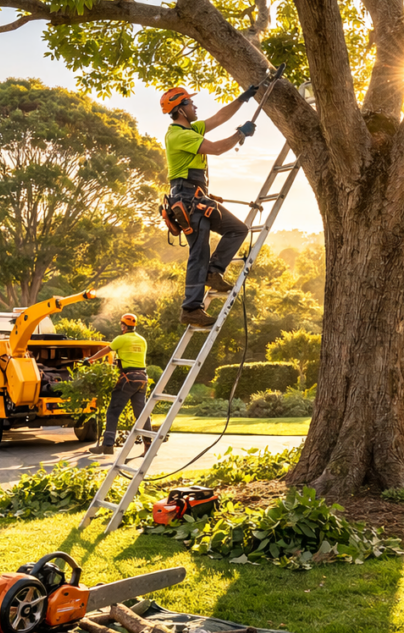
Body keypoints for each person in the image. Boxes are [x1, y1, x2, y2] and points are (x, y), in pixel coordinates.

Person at [161, 84, 259, 327]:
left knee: (237, 229)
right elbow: (216, 149)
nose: (195, 106)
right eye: (190, 103)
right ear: (180, 110)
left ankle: (213, 273)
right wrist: (241, 134)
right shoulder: (179, 135)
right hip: (187, 199)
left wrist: (243, 99)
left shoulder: (192, 129)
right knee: (199, 252)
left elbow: (219, 117)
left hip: (196, 196)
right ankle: (191, 309)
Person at [82, 313, 153, 456]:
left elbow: (106, 350)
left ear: (123, 326)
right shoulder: (142, 340)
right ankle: (148, 446)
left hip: (128, 379)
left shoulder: (121, 339)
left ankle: (108, 445)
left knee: (113, 412)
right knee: (141, 414)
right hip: (142, 379)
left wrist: (90, 360)